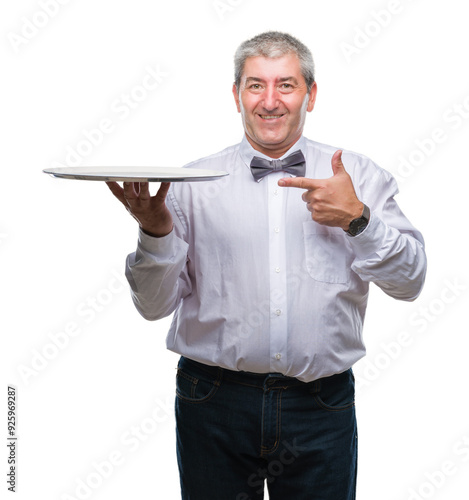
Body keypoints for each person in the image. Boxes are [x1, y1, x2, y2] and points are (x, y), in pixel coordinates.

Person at [107, 31, 426, 500]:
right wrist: (154, 232)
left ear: (310, 95)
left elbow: (411, 282)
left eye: (287, 85)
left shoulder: (360, 177)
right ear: (236, 94)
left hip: (321, 403)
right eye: (256, 85)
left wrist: (359, 220)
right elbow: (153, 307)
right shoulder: (190, 184)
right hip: (212, 400)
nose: (270, 101)